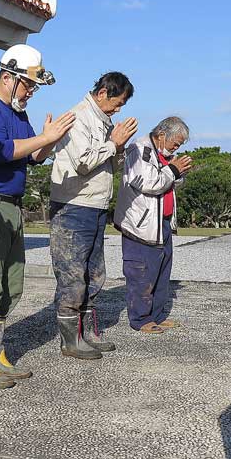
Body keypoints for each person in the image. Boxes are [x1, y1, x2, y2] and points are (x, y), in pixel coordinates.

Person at [0, 44, 75, 388]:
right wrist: (44, 137)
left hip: (10, 204)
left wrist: (50, 141)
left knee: (11, 283)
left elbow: (32, 155)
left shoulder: (17, 112)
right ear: (7, 77)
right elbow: (2, 150)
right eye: (28, 85)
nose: (31, 92)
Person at [49, 72, 138, 359]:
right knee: (73, 274)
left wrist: (119, 146)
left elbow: (111, 160)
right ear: (102, 93)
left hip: (95, 206)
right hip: (73, 206)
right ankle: (70, 341)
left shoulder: (102, 120)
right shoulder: (78, 117)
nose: (118, 108)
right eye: (117, 102)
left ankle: (85, 333)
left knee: (94, 274)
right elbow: (83, 162)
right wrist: (114, 143)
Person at [113, 117, 193, 334]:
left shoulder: (162, 154)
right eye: (175, 143)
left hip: (162, 223)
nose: (176, 148)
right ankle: (140, 319)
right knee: (141, 273)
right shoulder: (140, 149)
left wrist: (178, 173)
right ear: (162, 135)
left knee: (161, 273)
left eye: (179, 145)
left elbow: (168, 182)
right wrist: (173, 171)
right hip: (140, 225)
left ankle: (156, 316)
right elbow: (148, 183)